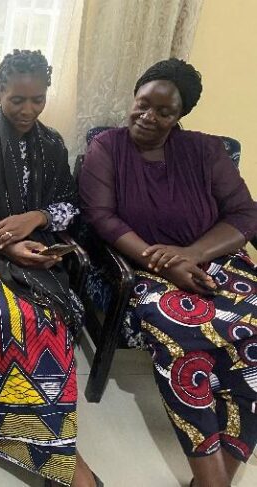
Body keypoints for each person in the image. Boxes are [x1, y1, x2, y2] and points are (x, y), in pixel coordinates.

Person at [79, 58, 257, 487]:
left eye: (163, 112)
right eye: (143, 104)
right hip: (148, 270)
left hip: (216, 262)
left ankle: (215, 477)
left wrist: (191, 254)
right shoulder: (107, 147)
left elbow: (245, 214)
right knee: (184, 337)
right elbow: (101, 218)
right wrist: (168, 264)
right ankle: (211, 478)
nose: (147, 117)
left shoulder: (206, 151)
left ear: (180, 115)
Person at [0, 49, 101, 487]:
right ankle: (3, 427)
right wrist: (6, 244)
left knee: (48, 319)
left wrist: (36, 218)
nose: (28, 110)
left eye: (38, 99)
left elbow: (68, 205)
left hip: (34, 245)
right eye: (17, 100)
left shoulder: (51, 143)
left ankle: (47, 437)